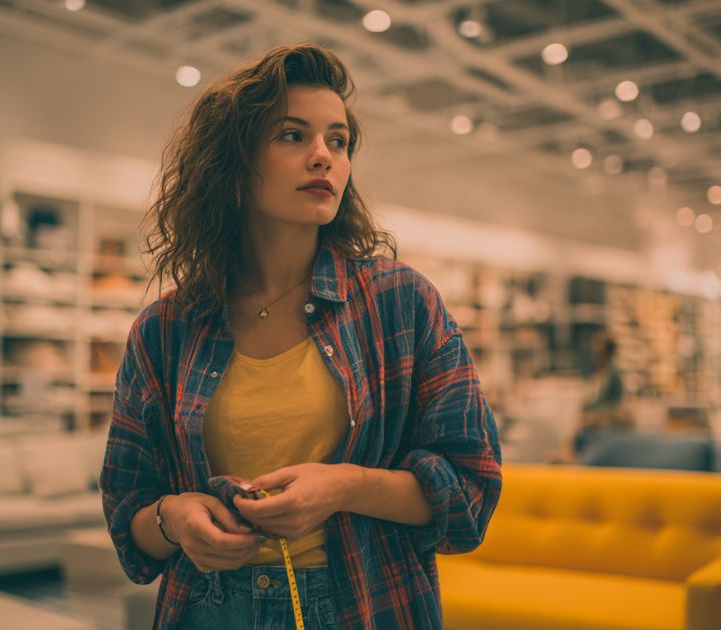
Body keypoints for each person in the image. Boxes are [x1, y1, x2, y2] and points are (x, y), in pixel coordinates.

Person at [100, 44, 502, 630]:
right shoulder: (164, 330)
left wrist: (344, 486)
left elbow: (470, 492)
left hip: (365, 603)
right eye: (293, 135)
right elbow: (128, 515)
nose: (324, 157)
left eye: (338, 141)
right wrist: (176, 517)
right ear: (231, 163)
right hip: (208, 608)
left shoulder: (399, 303)